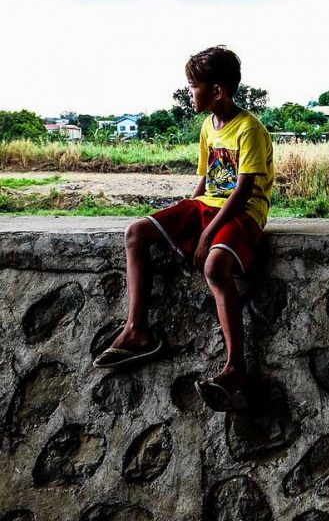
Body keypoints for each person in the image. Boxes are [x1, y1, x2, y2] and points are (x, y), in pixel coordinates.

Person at [92, 45, 274, 412]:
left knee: (214, 267)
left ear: (218, 90)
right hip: (209, 205)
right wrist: (183, 218)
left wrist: (206, 236)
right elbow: (205, 184)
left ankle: (235, 367)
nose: (190, 92)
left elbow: (241, 192)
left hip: (243, 212)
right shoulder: (209, 126)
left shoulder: (249, 128)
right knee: (137, 233)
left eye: (194, 86)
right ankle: (137, 330)